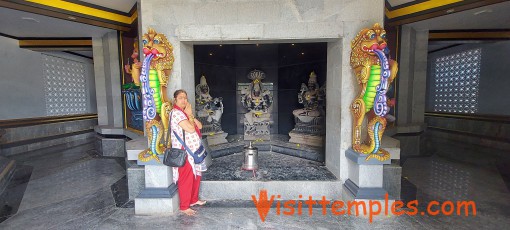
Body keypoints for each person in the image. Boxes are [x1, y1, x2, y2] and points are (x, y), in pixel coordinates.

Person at [170, 89, 206, 216]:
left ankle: (193, 200)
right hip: (184, 151)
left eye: (185, 98)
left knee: (197, 175)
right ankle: (184, 206)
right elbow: (191, 129)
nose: (184, 100)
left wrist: (190, 115)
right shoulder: (176, 113)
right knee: (186, 178)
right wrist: (189, 114)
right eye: (180, 98)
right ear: (175, 100)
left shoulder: (184, 113)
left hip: (194, 151)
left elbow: (200, 126)